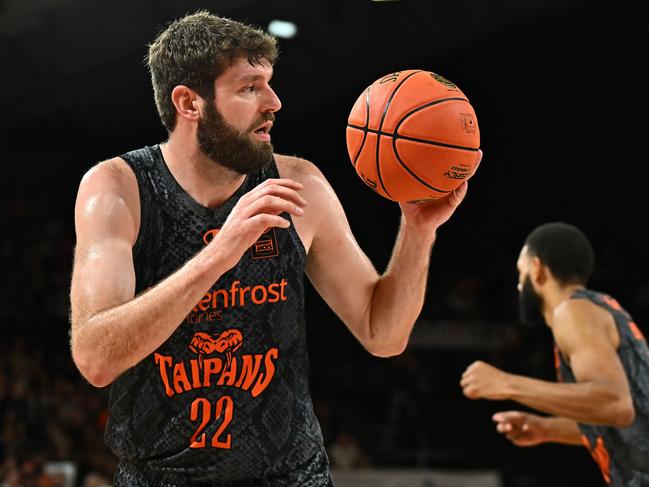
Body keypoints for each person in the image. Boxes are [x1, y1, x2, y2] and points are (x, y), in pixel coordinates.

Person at [69, 10, 480, 486]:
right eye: (249, 87)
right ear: (189, 102)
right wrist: (220, 254)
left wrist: (418, 229)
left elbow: (382, 332)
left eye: (269, 84)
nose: (275, 102)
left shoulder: (299, 184)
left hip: (291, 476)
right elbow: (95, 358)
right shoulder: (119, 190)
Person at [460, 222, 649, 486]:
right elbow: (630, 420)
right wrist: (546, 428)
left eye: (520, 272)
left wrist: (507, 384)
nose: (518, 285)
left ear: (537, 269)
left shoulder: (571, 312)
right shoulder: (602, 307)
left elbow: (615, 405)